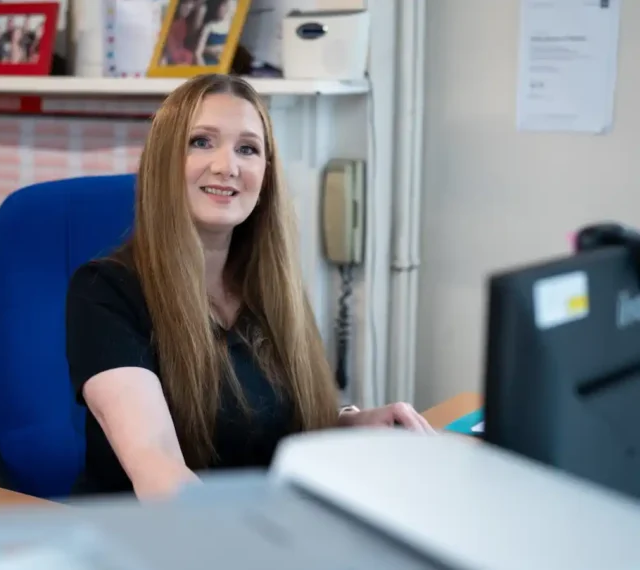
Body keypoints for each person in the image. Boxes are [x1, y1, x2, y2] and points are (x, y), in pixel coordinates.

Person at [65, 73, 434, 500]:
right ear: (162, 162)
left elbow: (262, 423)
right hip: (151, 541)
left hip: (268, 522)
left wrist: (351, 425)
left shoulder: (270, 287)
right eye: (201, 141)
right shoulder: (105, 292)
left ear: (266, 175)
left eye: (247, 148)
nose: (227, 166)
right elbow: (156, 462)